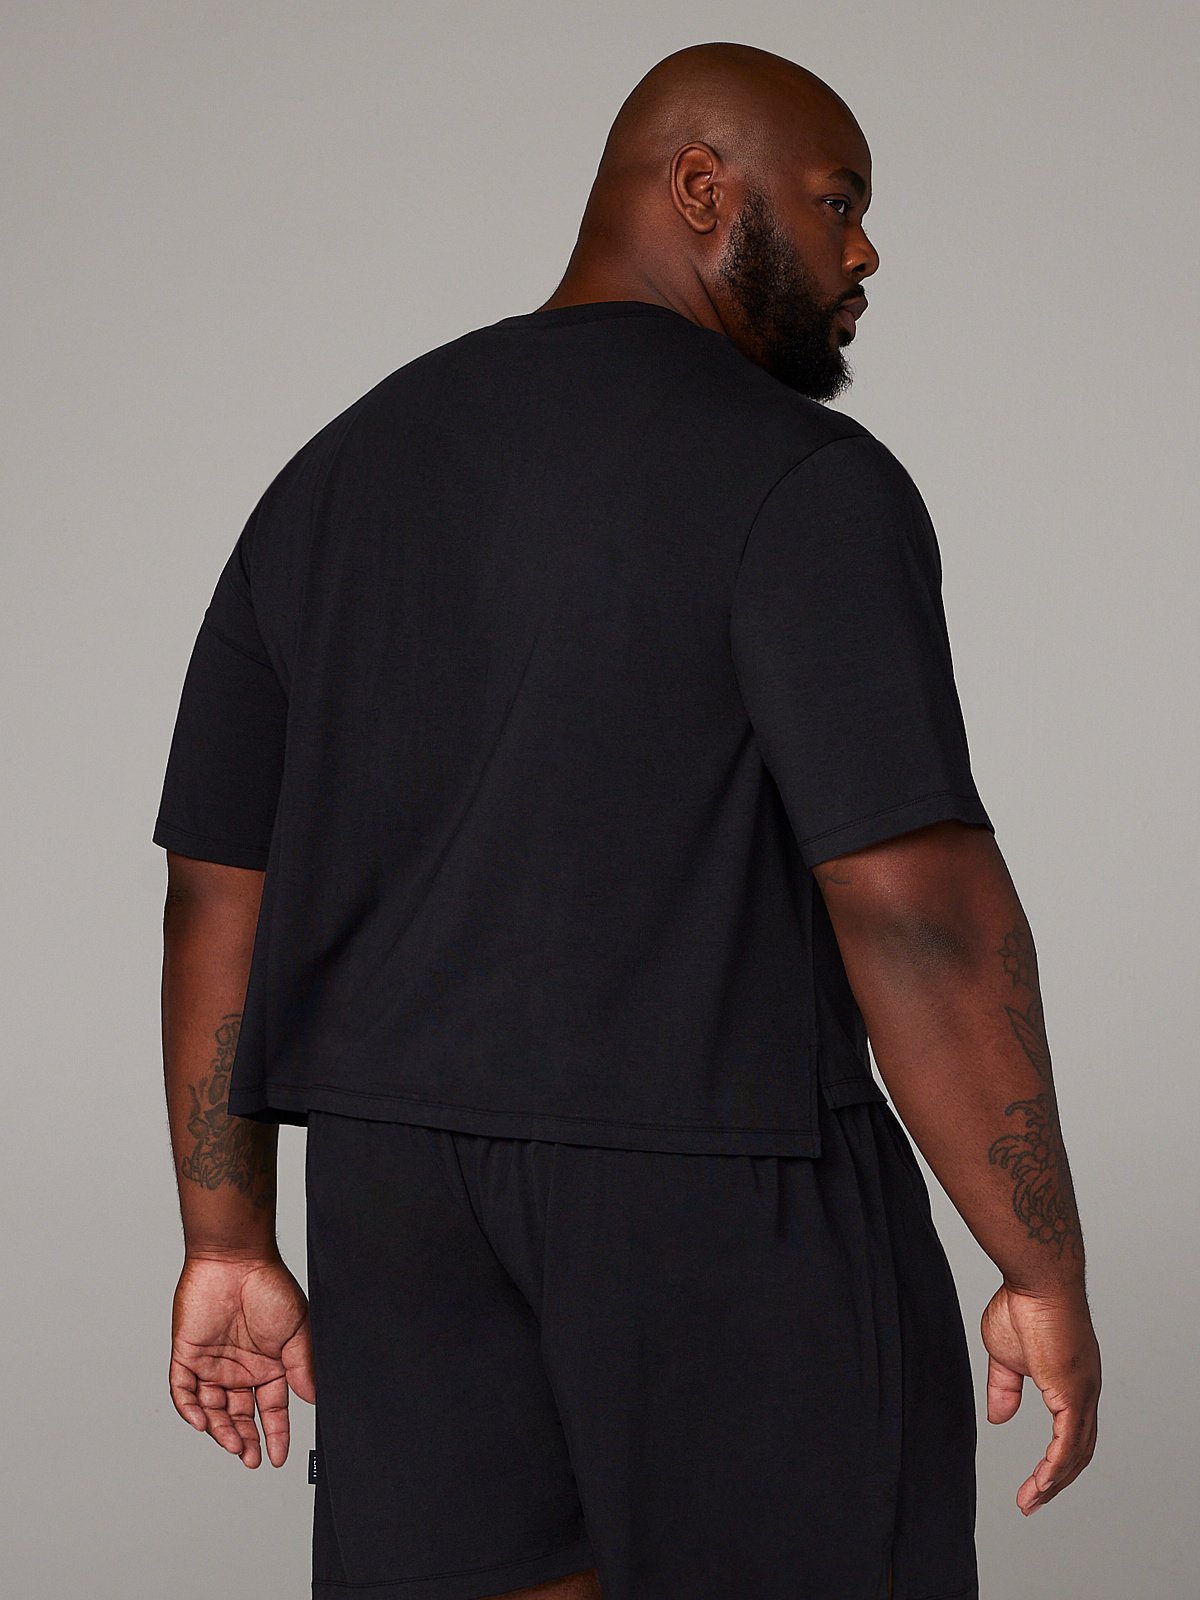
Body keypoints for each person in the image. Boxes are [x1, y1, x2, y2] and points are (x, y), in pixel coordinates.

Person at [155, 39, 1100, 1600]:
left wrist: (227, 1241)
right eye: (839, 201)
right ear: (701, 189)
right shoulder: (805, 480)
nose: (867, 252)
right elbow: (916, 908)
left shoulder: (338, 472)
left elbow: (217, 889)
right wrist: (1039, 1263)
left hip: (400, 1198)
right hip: (720, 1187)